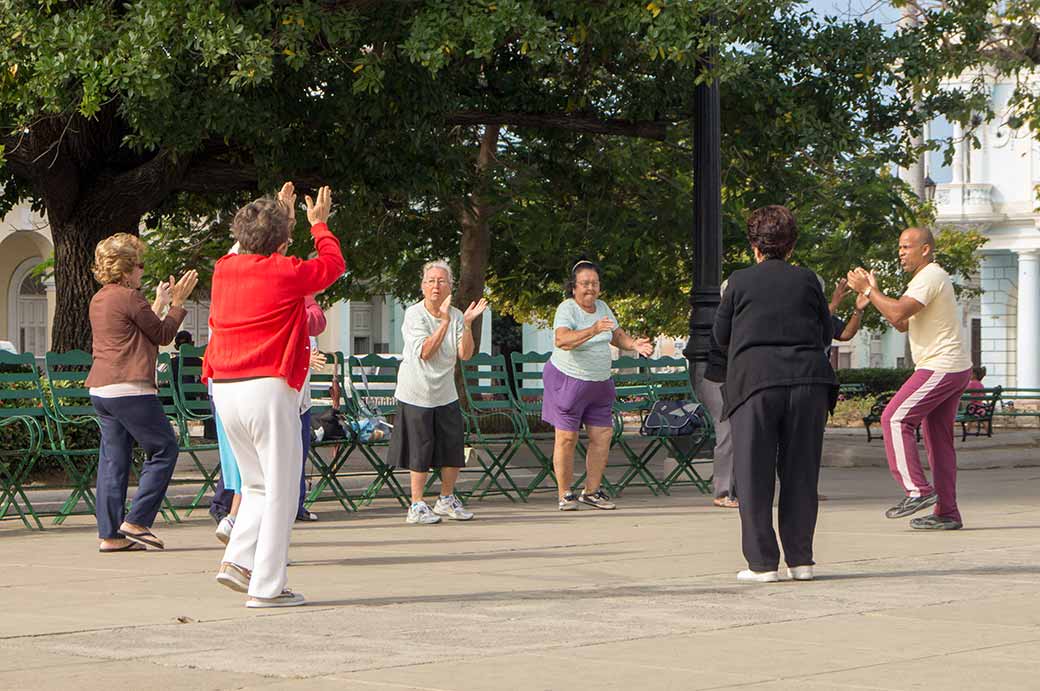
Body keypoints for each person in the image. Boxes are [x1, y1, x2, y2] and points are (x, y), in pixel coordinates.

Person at [205, 182, 344, 608]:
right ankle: (266, 586)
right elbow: (333, 265)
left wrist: (277, 217)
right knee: (281, 489)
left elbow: (243, 247)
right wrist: (318, 224)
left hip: (226, 387)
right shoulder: (286, 272)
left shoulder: (223, 270)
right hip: (267, 386)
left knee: (257, 484)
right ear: (283, 242)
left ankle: (238, 560)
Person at [714, 205, 837, 583]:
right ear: (792, 245)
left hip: (756, 384)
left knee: (754, 474)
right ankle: (801, 561)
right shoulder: (808, 281)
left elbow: (720, 336)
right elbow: (824, 333)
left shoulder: (738, 282)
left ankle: (762, 564)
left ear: (754, 245)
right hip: (808, 383)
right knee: (801, 473)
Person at [847, 227, 972, 530]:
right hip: (951, 367)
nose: (901, 252)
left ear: (925, 249)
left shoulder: (930, 275)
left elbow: (898, 311)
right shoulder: (923, 280)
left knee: (894, 418)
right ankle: (947, 513)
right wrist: (869, 297)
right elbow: (901, 322)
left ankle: (917, 491)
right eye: (899, 247)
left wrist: (868, 290)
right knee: (938, 443)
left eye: (906, 247)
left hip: (940, 366)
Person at [85, 233, 199, 552]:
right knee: (164, 449)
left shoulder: (100, 298)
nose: (142, 271)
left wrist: (160, 304)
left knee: (113, 461)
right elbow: (161, 335)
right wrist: (176, 304)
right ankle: (137, 521)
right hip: (130, 388)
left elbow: (137, 331)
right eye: (139, 265)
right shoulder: (130, 297)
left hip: (102, 389)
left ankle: (110, 535)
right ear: (125, 269)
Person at [543, 260, 654, 512]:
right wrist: (592, 329)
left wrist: (634, 345)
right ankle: (565, 494)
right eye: (584, 284)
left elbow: (616, 334)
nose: (590, 288)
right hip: (567, 381)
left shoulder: (602, 307)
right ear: (573, 287)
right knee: (567, 438)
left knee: (602, 435)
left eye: (594, 283)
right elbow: (562, 340)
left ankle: (592, 492)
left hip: (599, 383)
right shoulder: (567, 309)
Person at [387, 260, 488, 525]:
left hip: (445, 392)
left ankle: (446, 498)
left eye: (441, 281)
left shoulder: (455, 315)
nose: (436, 286)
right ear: (422, 286)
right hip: (416, 392)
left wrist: (464, 324)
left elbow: (465, 354)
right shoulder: (414, 315)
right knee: (419, 449)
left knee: (452, 446)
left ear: (450, 286)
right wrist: (444, 322)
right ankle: (417, 504)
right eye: (431, 281)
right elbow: (425, 351)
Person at [691, 281, 737, 509]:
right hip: (718, 383)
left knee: (738, 435)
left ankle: (736, 490)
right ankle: (723, 492)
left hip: (730, 383)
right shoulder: (723, 317)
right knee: (727, 435)